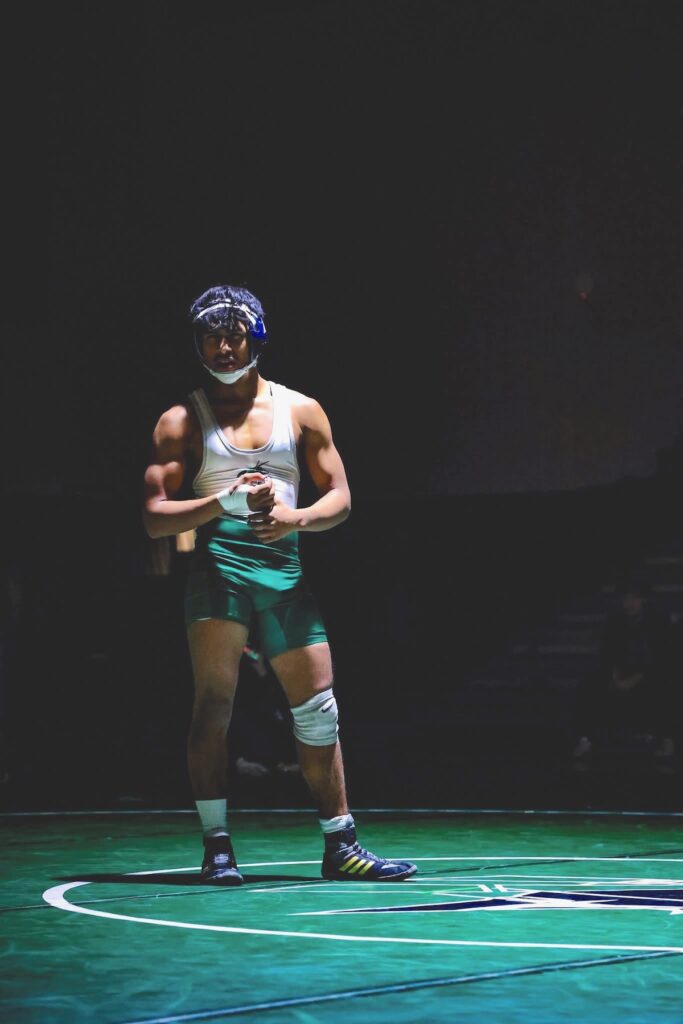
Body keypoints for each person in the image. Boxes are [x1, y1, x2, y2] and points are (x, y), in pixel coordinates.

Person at [142, 283, 416, 885]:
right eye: (210, 337)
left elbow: (341, 497)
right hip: (219, 573)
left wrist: (295, 519)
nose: (222, 347)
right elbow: (155, 517)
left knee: (319, 711)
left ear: (257, 336)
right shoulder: (181, 419)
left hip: (284, 573)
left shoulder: (300, 410)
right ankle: (217, 847)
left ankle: (341, 845)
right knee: (214, 707)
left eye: (233, 335)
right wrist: (223, 501)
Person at [570, 577, 677, 770]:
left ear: (643, 599)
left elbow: (663, 658)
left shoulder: (658, 620)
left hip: (649, 673)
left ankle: (667, 739)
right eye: (626, 598)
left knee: (667, 683)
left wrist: (634, 679)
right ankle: (584, 740)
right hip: (622, 671)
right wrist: (615, 676)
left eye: (634, 598)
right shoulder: (616, 620)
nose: (630, 603)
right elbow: (608, 653)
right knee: (589, 683)